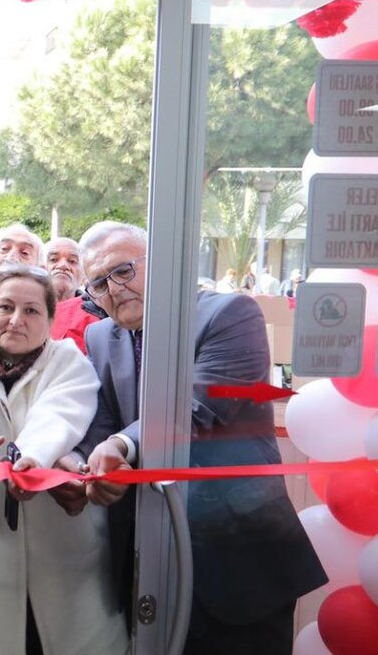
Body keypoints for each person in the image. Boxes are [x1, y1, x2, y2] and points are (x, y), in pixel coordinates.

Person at [73, 221, 326, 655]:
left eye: (123, 271)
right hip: (147, 556)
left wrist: (120, 446)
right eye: (98, 283)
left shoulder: (230, 314)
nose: (113, 289)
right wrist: (86, 462)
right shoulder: (99, 336)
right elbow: (101, 419)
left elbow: (197, 409)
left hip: (238, 557)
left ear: (161, 262)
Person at [0, 265, 128, 655]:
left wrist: (28, 460)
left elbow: (59, 415)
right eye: (5, 307)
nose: (15, 320)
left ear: (51, 319)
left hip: (62, 547)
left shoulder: (68, 361)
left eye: (31, 311)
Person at [44, 236, 102, 353]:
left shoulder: (98, 312)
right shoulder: (21, 308)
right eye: (53, 259)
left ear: (84, 276)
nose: (63, 266)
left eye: (72, 261)